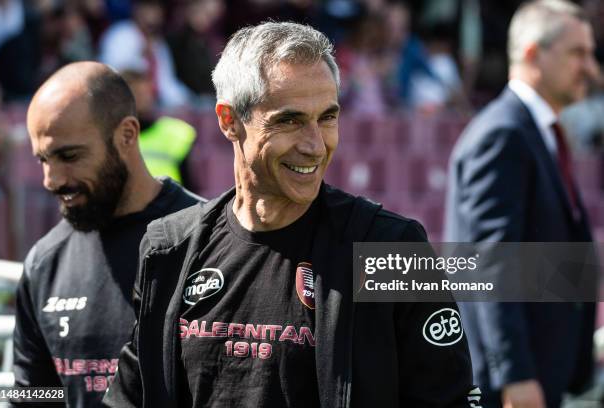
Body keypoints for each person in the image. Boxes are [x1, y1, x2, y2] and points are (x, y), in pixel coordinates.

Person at [104, 21, 476, 408]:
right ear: (229, 121)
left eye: (327, 118)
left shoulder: (391, 249)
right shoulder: (170, 249)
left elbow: (449, 398)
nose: (315, 145)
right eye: (290, 120)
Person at [12, 61, 204, 407]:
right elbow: (33, 396)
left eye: (68, 156)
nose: (51, 180)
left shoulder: (212, 240)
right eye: (43, 160)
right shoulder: (43, 262)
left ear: (127, 135)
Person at [444, 1, 598, 407]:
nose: (591, 68)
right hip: (512, 388)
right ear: (532, 53)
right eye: (577, 53)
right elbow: (489, 263)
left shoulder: (538, 134)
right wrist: (515, 375)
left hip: (546, 377)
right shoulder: (503, 135)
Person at [120, 69, 198, 191]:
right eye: (135, 93)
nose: (141, 98)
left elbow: (191, 185)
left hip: (174, 207)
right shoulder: (112, 136)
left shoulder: (177, 133)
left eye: (144, 92)